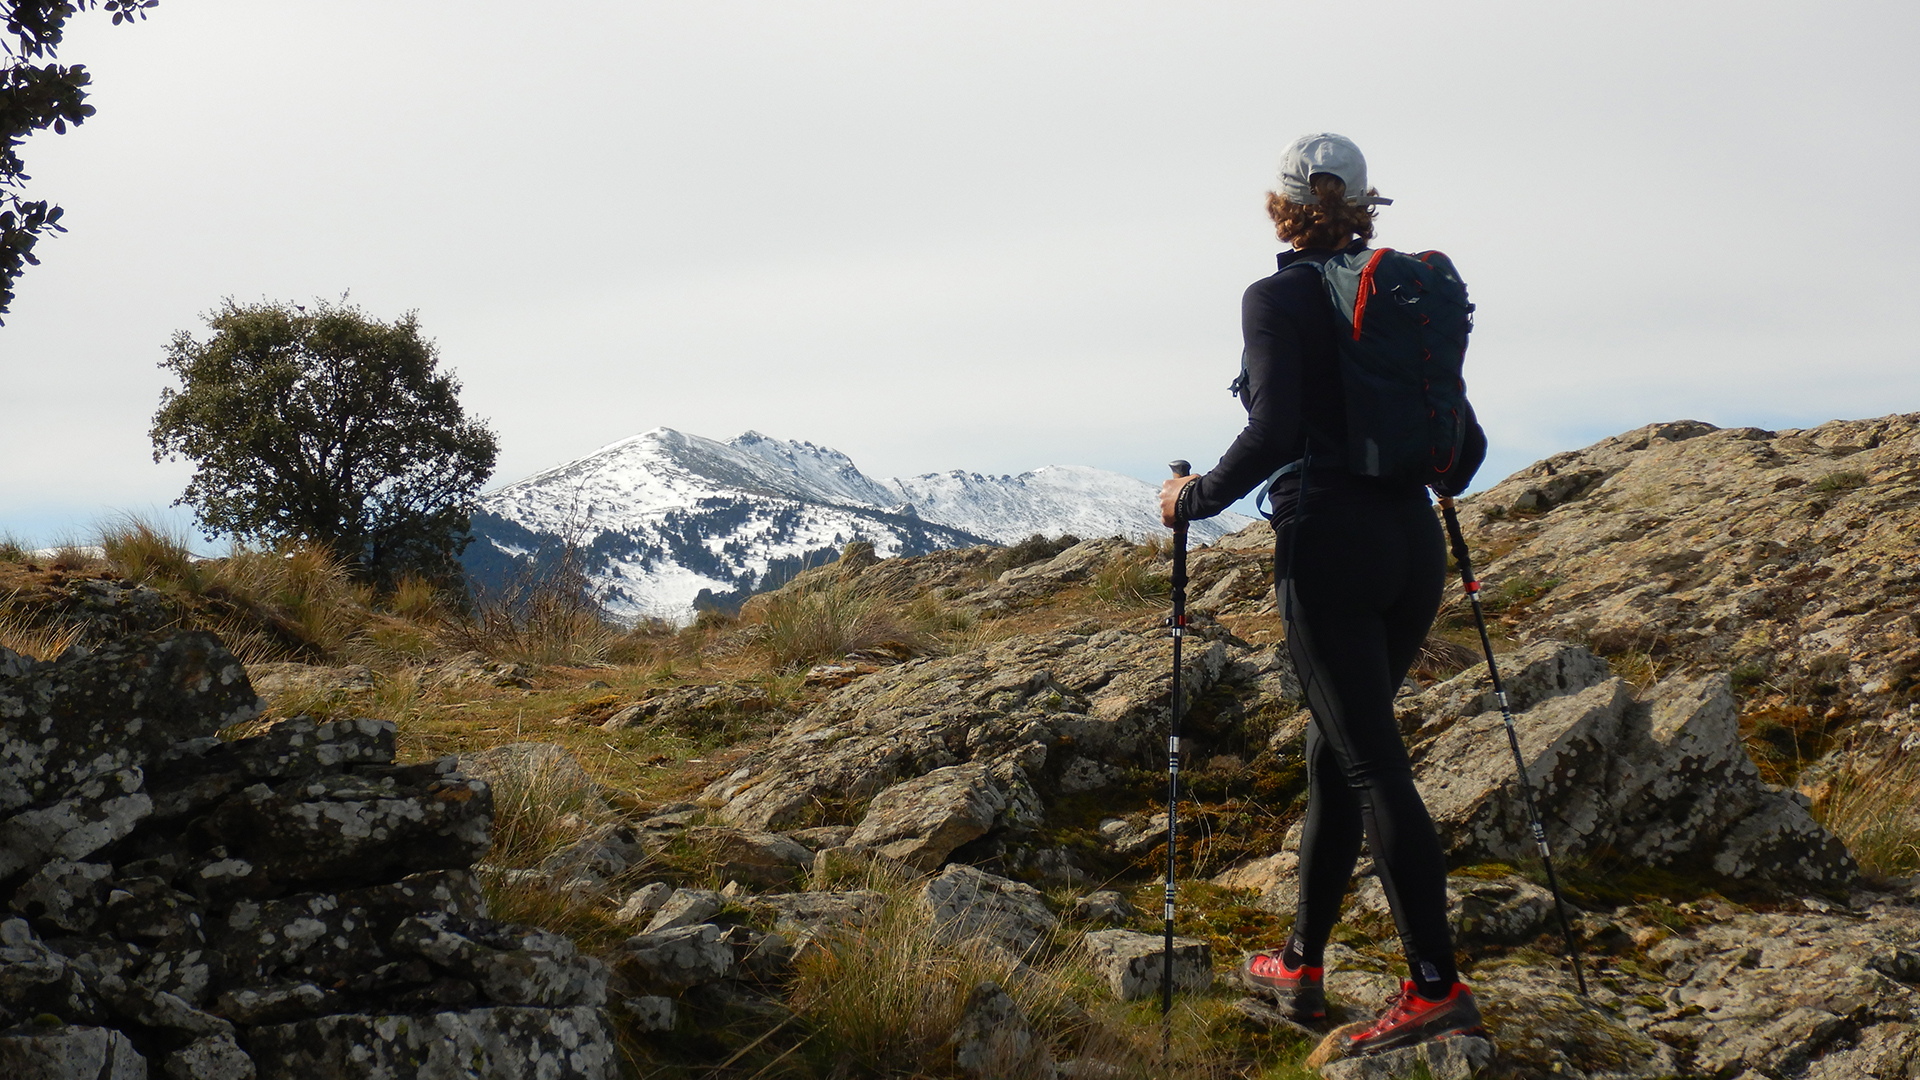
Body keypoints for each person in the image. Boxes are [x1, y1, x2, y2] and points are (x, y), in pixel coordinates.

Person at [1158, 132, 1486, 1055]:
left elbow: (1272, 432)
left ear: (1282, 205)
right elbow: (1468, 449)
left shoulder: (1278, 296)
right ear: (1363, 203)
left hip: (1329, 540)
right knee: (1340, 751)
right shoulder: (1398, 304)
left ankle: (1434, 988)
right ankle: (1302, 961)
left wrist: (1193, 502)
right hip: (1411, 542)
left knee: (1372, 764)